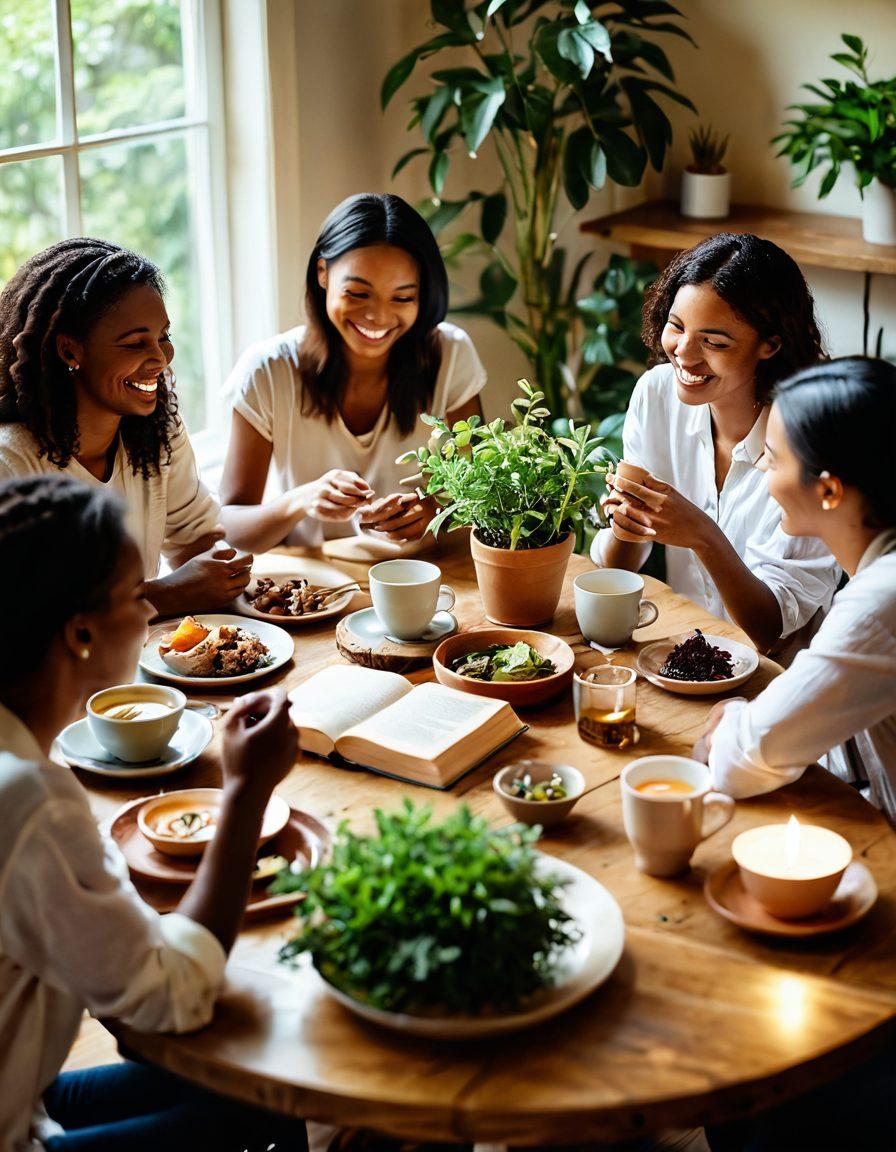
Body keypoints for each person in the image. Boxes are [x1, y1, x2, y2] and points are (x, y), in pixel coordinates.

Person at [0, 473, 306, 1152]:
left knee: (254, 1084)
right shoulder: (27, 804)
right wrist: (244, 793)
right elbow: (171, 998)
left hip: (23, 1083)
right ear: (79, 633)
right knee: (272, 1105)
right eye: (137, 597)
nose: (150, 617)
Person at [591, 234, 840, 656]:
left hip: (776, 676)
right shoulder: (657, 394)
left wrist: (703, 535)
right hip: (682, 654)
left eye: (714, 342)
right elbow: (617, 569)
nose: (684, 355)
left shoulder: (812, 438)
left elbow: (769, 631)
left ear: (770, 344)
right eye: (676, 326)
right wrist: (625, 522)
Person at [218, 193, 486, 552]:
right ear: (323, 273)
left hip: (426, 580)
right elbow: (229, 527)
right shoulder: (267, 371)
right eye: (358, 293)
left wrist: (434, 511)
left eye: (403, 298)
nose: (378, 316)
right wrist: (301, 501)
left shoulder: (449, 355)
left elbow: (486, 494)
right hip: (314, 590)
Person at [0, 238, 252, 616]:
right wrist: (164, 594)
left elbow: (196, 537)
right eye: (136, 344)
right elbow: (26, 622)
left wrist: (222, 572)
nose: (159, 359)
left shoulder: (156, 430)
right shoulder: (11, 464)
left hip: (141, 659)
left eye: (163, 337)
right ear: (70, 350)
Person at [695, 356, 896, 825]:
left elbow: (741, 760)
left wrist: (731, 720)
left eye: (775, 455)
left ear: (828, 492)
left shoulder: (880, 603)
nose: (762, 466)